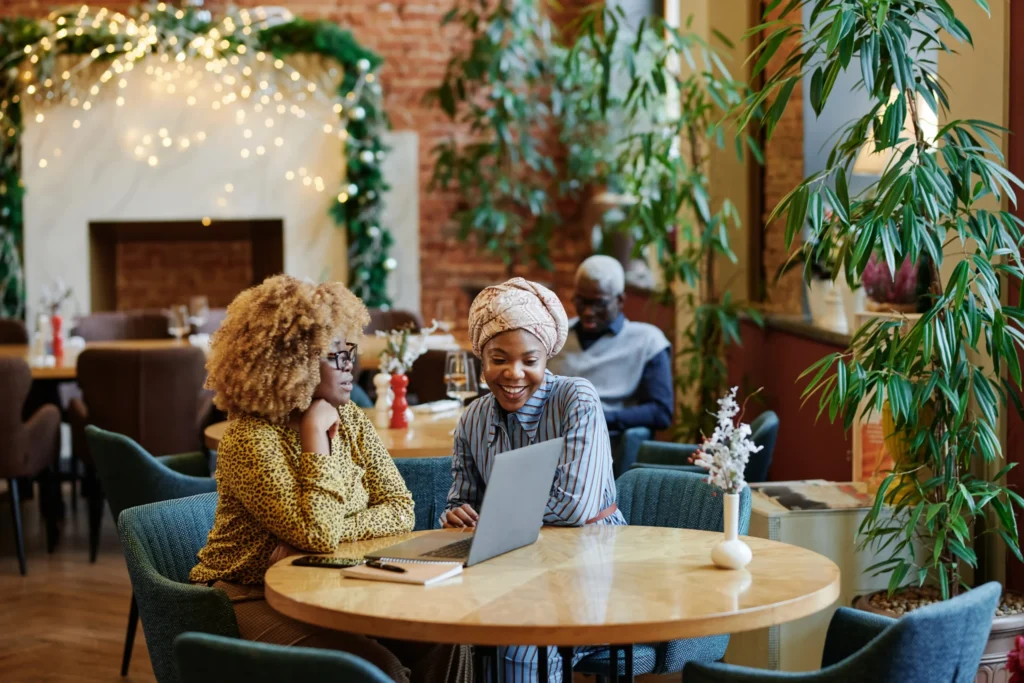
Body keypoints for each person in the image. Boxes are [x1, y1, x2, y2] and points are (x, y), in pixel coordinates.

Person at [190, 274, 468, 683]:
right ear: (292, 363)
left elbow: (399, 507)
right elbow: (318, 534)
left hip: (333, 578)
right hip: (250, 594)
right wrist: (313, 435)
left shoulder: (352, 416)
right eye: (333, 356)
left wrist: (328, 534)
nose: (348, 365)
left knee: (446, 636)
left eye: (349, 351)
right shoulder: (250, 440)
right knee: (377, 670)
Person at [442, 277, 625, 683]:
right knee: (448, 628)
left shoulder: (577, 399)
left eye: (530, 360)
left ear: (547, 360)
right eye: (498, 359)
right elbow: (462, 499)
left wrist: (494, 520)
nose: (514, 373)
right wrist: (458, 513)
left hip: (592, 563)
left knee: (516, 640)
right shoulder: (472, 417)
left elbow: (576, 507)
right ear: (481, 359)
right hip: (510, 566)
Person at [547, 255, 673, 434]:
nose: (589, 312)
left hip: (606, 438)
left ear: (620, 300)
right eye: (582, 302)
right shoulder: (557, 334)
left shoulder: (648, 341)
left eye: (599, 303)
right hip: (549, 433)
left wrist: (598, 418)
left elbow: (661, 412)